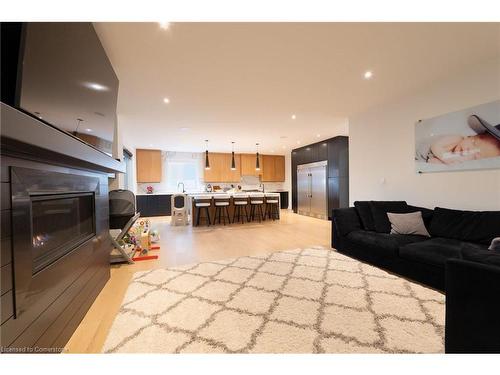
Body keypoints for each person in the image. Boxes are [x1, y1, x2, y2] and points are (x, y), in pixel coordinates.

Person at [416, 114, 500, 164]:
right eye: (474, 142)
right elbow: (436, 147)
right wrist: (450, 159)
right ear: (470, 136)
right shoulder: (457, 138)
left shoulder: (460, 160)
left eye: (476, 155)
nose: (469, 150)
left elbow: (431, 161)